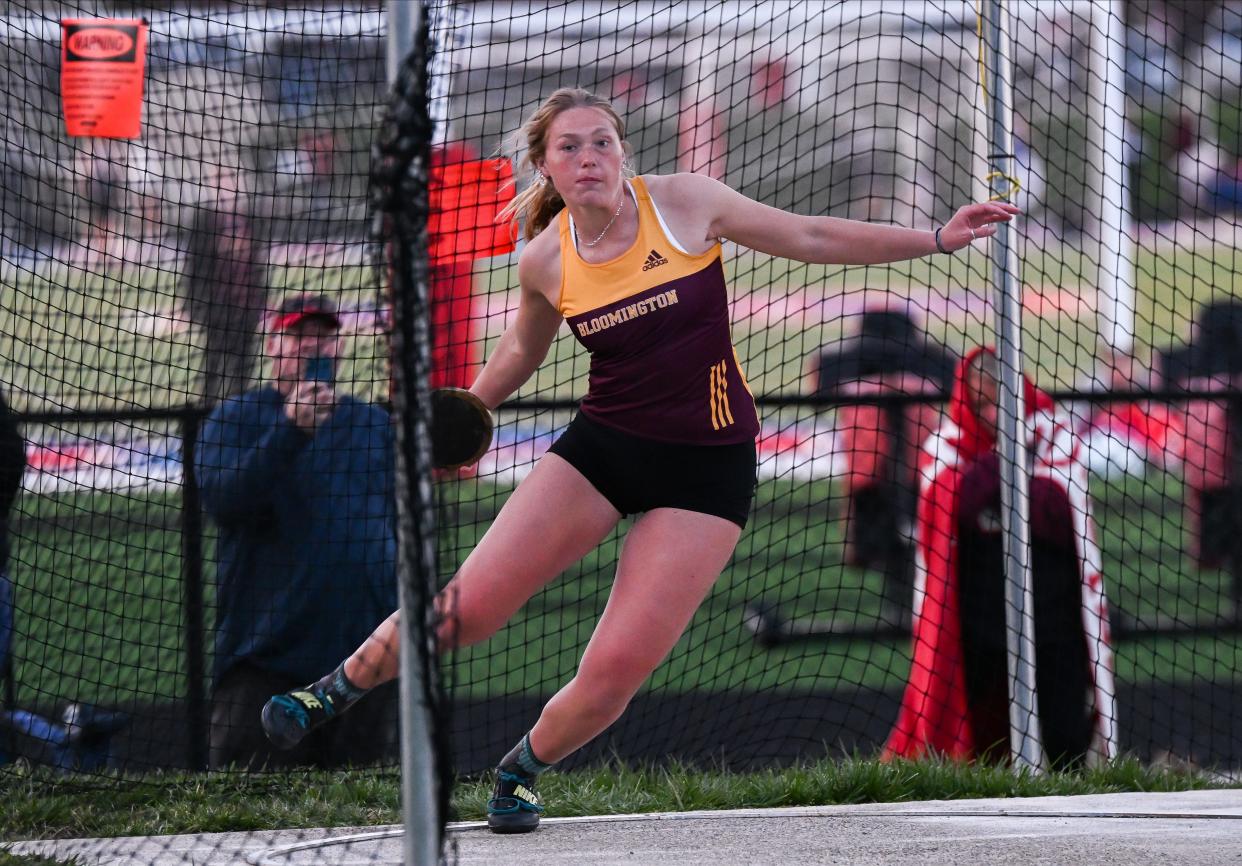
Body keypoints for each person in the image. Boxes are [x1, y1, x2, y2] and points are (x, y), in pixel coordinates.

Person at [259, 87, 1017, 830]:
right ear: (545, 168)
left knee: (613, 676)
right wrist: (468, 412)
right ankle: (331, 689)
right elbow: (523, 348)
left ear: (623, 152)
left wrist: (938, 238)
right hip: (602, 450)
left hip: (708, 470)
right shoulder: (545, 258)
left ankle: (520, 769)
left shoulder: (684, 202)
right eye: (570, 146)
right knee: (472, 608)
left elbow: (813, 237)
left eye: (602, 142)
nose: (588, 156)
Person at [883, 348, 1118, 769]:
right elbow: (955, 503)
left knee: (1066, 737)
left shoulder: (1055, 431)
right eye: (983, 403)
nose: (993, 413)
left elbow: (1057, 510)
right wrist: (1009, 464)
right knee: (982, 738)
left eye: (1001, 401)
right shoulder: (947, 440)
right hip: (979, 619)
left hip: (1052, 614)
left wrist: (994, 480)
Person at [195, 293, 399, 770]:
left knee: (362, 818)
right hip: (266, 658)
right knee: (251, 808)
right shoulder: (237, 418)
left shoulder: (371, 423)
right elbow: (226, 502)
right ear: (272, 346)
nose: (314, 347)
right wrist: (290, 430)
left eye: (325, 337)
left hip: (361, 662)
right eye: (299, 336)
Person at [814, 308, 957, 625]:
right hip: (908, 472)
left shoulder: (844, 366)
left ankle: (905, 604)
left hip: (882, 472)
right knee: (902, 543)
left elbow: (818, 385)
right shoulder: (931, 365)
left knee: (893, 544)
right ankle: (906, 603)